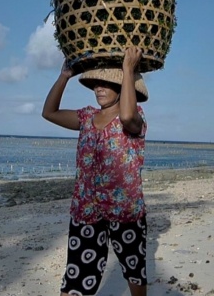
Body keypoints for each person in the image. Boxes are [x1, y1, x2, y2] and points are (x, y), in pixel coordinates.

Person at [42, 47, 149, 296]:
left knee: (134, 272)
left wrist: (127, 70)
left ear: (122, 86)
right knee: (75, 279)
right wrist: (64, 76)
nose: (99, 88)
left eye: (107, 83)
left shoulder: (136, 119)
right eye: (96, 83)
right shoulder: (86, 117)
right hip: (86, 210)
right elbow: (49, 113)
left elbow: (126, 115)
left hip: (125, 212)